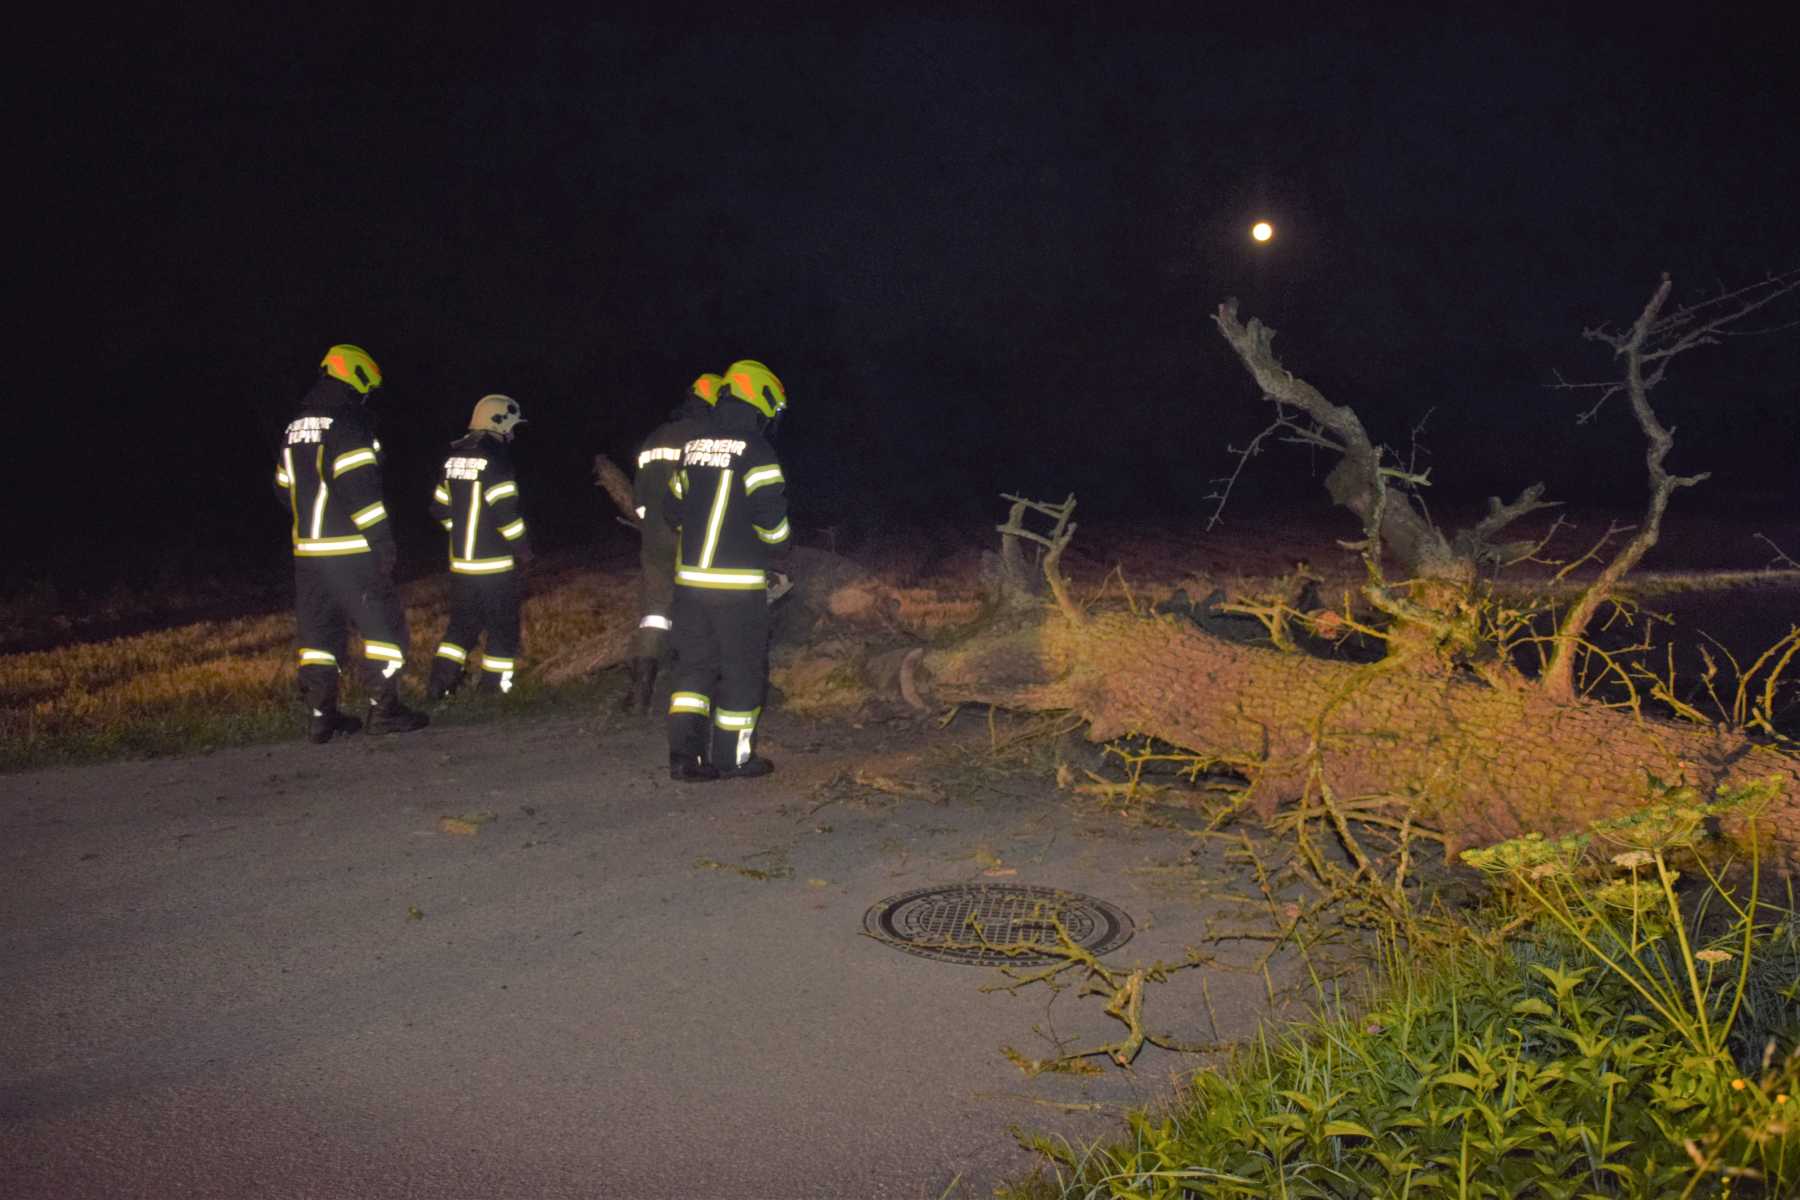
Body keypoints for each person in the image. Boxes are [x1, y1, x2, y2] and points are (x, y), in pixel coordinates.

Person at [274, 344, 429, 743]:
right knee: (384, 628)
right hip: (351, 551)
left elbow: (282, 489)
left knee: (318, 637)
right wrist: (381, 541)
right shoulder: (348, 423)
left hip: (308, 554)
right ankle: (385, 711)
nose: (367, 397)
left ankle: (322, 716)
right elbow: (361, 490)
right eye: (367, 388)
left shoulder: (295, 427)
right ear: (356, 377)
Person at [662, 359, 790, 781]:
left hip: (690, 586)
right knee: (741, 671)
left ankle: (684, 757)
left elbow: (671, 511)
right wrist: (776, 548)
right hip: (737, 589)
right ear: (760, 398)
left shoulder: (693, 446)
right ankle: (734, 758)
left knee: (693, 670)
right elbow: (773, 524)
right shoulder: (757, 451)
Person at [619, 372, 721, 715]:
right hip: (695, 538)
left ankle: (640, 694)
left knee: (654, 614)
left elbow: (639, 499)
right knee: (702, 610)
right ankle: (699, 692)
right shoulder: (708, 437)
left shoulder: (654, 438)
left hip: (654, 539)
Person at [426, 395, 532, 699]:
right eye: (511, 426)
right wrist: (522, 548)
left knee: (461, 626)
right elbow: (506, 513)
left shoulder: (454, 456)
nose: (513, 433)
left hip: (461, 563)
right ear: (498, 422)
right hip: (494, 564)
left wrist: (459, 532)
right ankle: (493, 690)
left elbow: (439, 507)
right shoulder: (496, 458)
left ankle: (438, 685)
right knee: (503, 627)